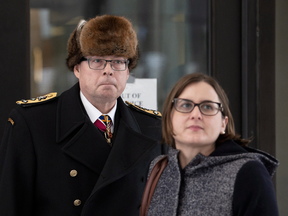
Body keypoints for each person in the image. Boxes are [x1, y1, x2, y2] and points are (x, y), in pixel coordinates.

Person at [0, 15, 166, 216]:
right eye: (97, 61)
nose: (108, 71)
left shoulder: (153, 128)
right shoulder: (32, 124)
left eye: (118, 62)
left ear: (128, 71)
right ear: (77, 68)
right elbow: (11, 206)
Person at [144, 73, 279, 216]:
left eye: (207, 107)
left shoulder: (248, 173)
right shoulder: (158, 168)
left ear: (223, 123)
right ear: (169, 118)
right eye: (185, 105)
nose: (196, 115)